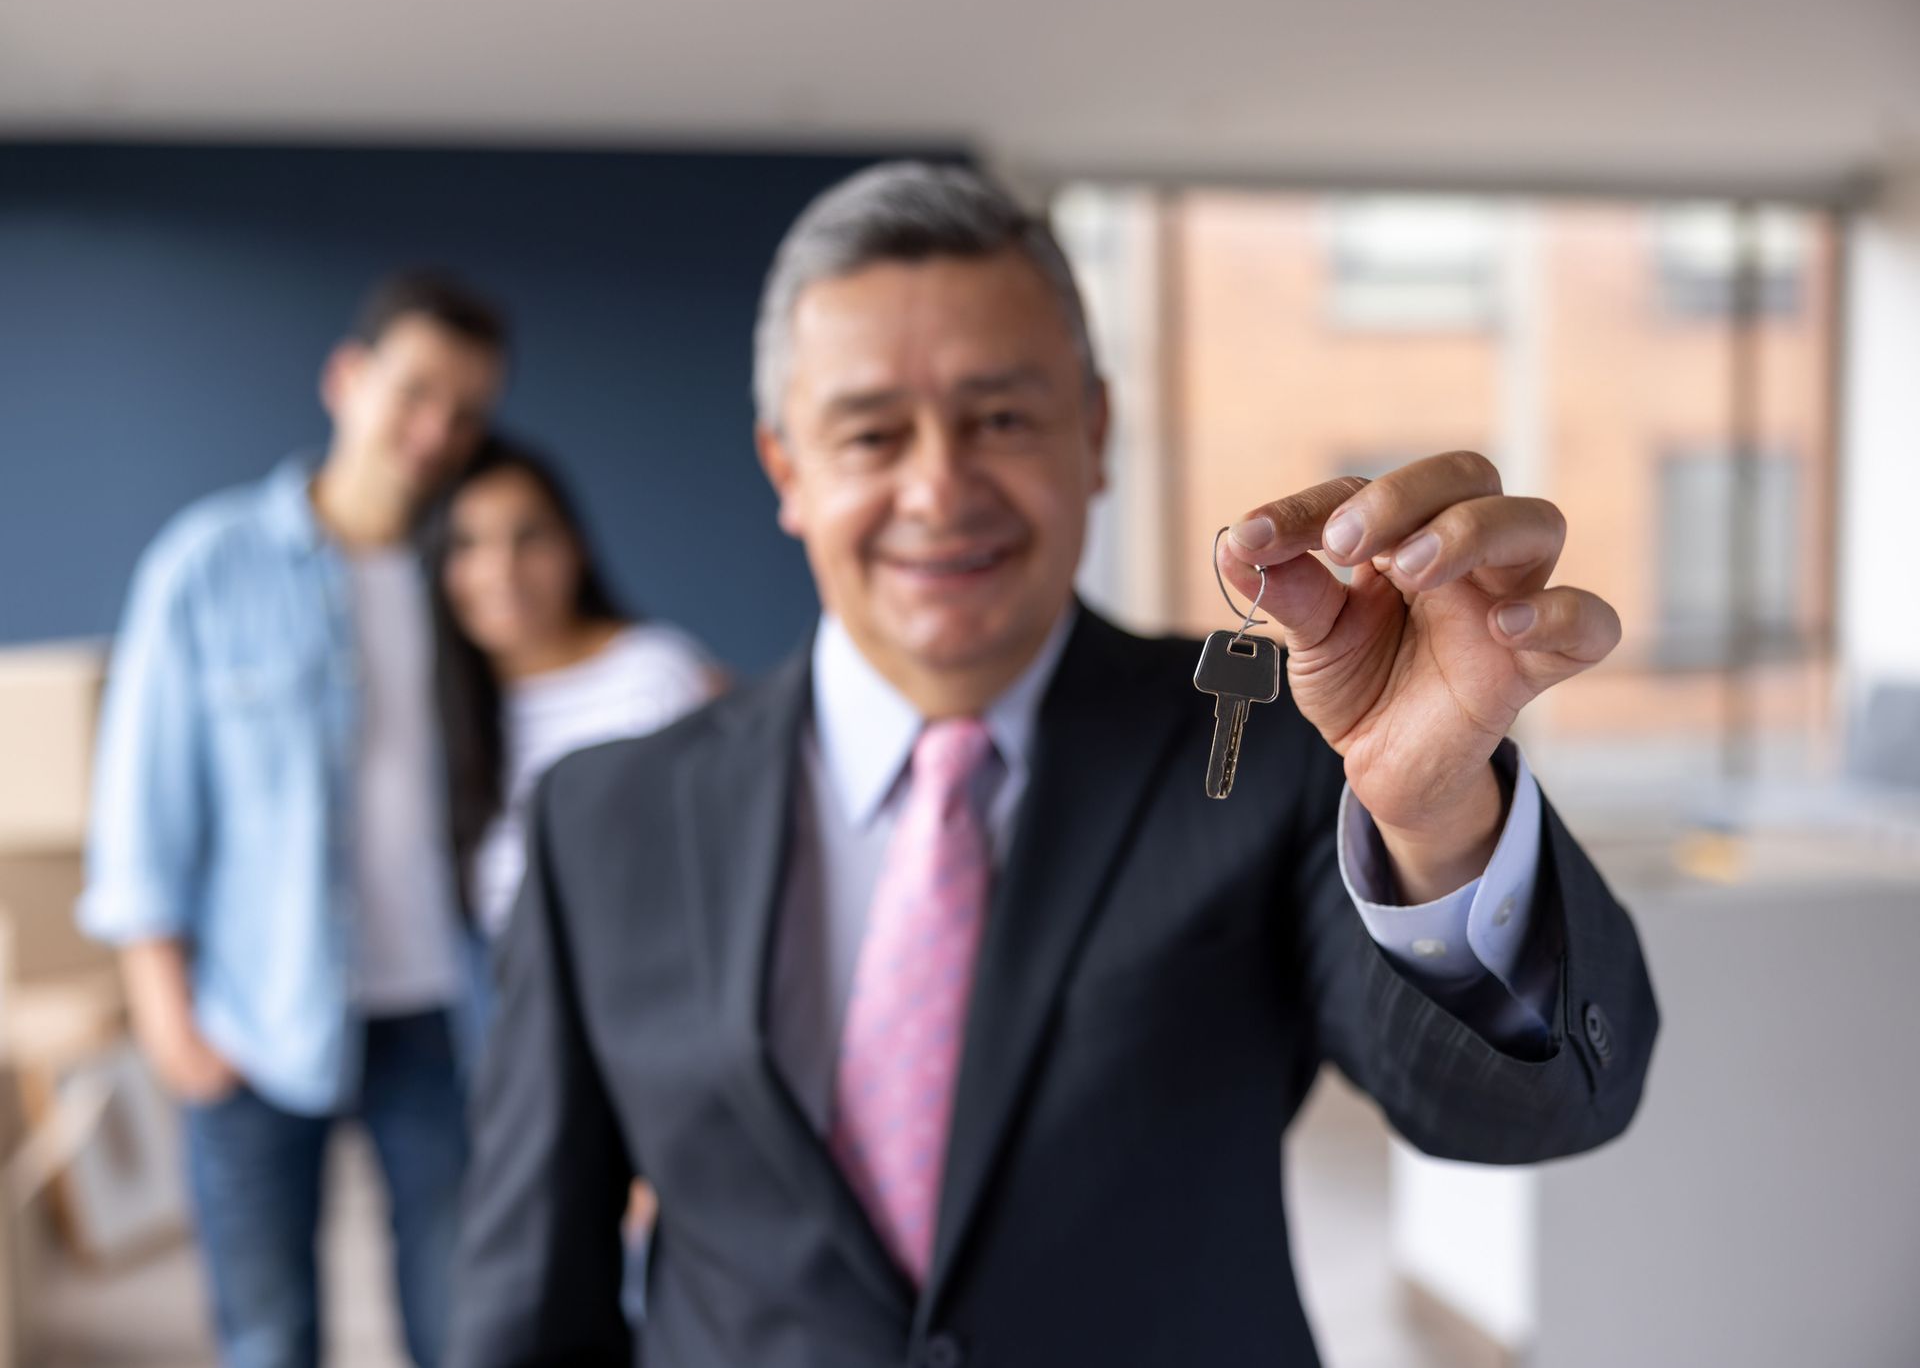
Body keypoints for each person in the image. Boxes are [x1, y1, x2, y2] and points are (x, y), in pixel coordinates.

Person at [449, 164, 1659, 1368]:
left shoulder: (1265, 745)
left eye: (1002, 418)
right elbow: (529, 1293)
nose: (939, 487)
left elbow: (1527, 1109)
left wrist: (1441, 811)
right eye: (872, 433)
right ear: (788, 472)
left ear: (1095, 436)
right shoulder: (604, 818)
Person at [81, 270, 509, 1368]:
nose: (435, 432)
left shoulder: (469, 577)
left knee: (464, 1323)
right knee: (269, 1337)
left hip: (437, 1011)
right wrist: (172, 1026)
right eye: (415, 393)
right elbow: (142, 810)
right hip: (256, 1012)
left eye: (465, 413)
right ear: (346, 380)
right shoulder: (207, 564)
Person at [424, 434, 720, 943]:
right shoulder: (449, 713)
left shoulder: (653, 678)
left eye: (529, 537)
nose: (502, 572)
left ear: (574, 547)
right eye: (468, 545)